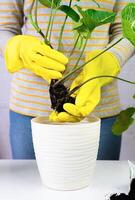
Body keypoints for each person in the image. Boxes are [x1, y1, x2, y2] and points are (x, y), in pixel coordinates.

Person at [0, 0, 134, 159]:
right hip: (28, 110)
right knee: (28, 181)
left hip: (99, 108)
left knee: (101, 182)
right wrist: (17, 47)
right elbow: (4, 27)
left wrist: (111, 59)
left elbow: (126, 29)